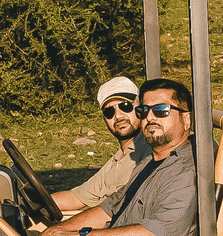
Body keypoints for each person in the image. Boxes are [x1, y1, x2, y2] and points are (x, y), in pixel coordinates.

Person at [36, 79, 198, 236]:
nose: (150, 118)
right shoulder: (149, 161)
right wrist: (52, 233)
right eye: (144, 111)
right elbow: (109, 209)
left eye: (161, 110)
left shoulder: (183, 172)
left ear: (186, 119)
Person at [51, 76, 151, 216]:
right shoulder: (117, 160)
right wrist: (33, 202)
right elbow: (77, 197)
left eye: (125, 106)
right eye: (109, 111)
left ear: (139, 106)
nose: (118, 116)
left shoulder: (150, 149)